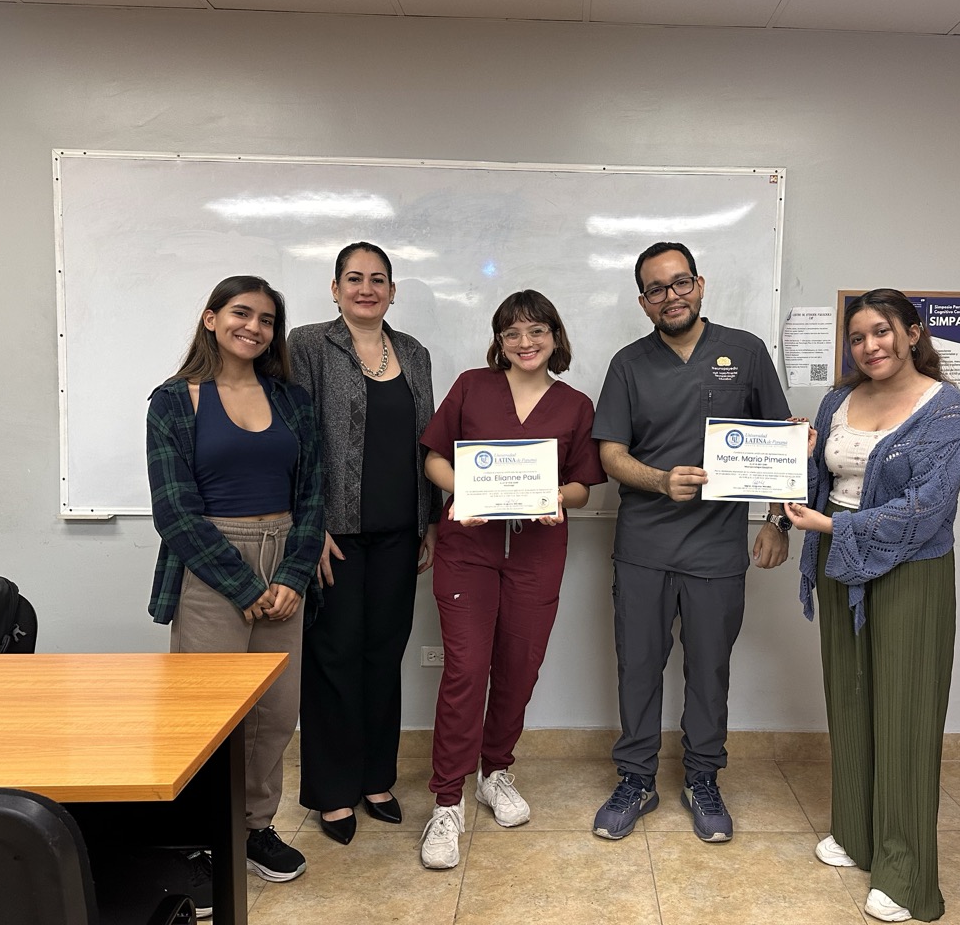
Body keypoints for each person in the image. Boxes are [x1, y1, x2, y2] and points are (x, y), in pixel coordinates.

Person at [590, 241, 792, 844]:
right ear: (643, 302)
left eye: (680, 283)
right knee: (639, 669)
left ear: (699, 284)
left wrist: (778, 522)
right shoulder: (628, 364)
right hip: (645, 544)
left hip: (717, 550)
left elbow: (779, 443)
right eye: (656, 289)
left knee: (710, 669)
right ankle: (636, 779)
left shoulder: (746, 352)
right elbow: (609, 455)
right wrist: (658, 480)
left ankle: (703, 778)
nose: (670, 296)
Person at [785, 288, 960, 923]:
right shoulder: (838, 399)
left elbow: (928, 506)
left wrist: (835, 529)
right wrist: (797, 452)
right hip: (836, 558)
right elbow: (819, 479)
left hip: (910, 570)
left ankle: (906, 871)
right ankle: (857, 833)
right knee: (851, 696)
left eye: (883, 332)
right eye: (859, 337)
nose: (871, 346)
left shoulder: (944, 409)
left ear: (913, 334)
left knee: (906, 714)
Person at [416, 290, 606, 869]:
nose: (525, 343)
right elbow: (434, 458)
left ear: (555, 336)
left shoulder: (574, 404)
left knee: (520, 668)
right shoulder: (472, 385)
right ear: (498, 341)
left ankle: (495, 771)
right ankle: (447, 802)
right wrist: (462, 492)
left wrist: (555, 497)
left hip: (537, 552)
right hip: (467, 550)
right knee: (467, 670)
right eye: (512, 333)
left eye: (536, 331)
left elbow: (581, 485)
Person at [146, 275, 323, 888]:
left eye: (267, 320)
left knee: (275, 713)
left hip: (285, 559)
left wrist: (294, 574)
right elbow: (174, 511)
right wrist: (245, 588)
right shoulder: (174, 400)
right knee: (209, 715)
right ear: (211, 318)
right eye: (241, 314)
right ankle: (202, 836)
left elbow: (312, 496)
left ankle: (254, 827)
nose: (254, 327)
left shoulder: (292, 400)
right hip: (210, 566)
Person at [289, 242, 441, 845]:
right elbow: (293, 434)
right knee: (333, 658)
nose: (366, 288)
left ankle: (376, 778)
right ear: (334, 288)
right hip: (336, 534)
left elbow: (427, 443)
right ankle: (331, 790)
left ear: (393, 291)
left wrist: (428, 521)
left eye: (378, 279)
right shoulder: (306, 345)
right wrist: (311, 522)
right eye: (353, 278)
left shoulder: (414, 353)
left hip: (400, 531)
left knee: (384, 653)